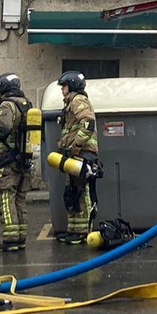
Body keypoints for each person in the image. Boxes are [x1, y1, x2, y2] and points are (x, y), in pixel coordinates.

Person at [0, 73, 39, 252]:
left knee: (6, 197)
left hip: (8, 159)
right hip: (24, 159)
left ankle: (10, 239)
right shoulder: (27, 103)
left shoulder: (7, 105)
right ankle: (21, 238)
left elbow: (4, 128)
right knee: (20, 199)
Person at [55, 69, 99, 244]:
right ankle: (73, 230)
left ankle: (82, 231)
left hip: (82, 153)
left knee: (81, 190)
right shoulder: (70, 103)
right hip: (75, 153)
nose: (62, 89)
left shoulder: (78, 100)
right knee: (73, 191)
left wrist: (75, 146)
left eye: (64, 86)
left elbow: (88, 123)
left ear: (72, 86)